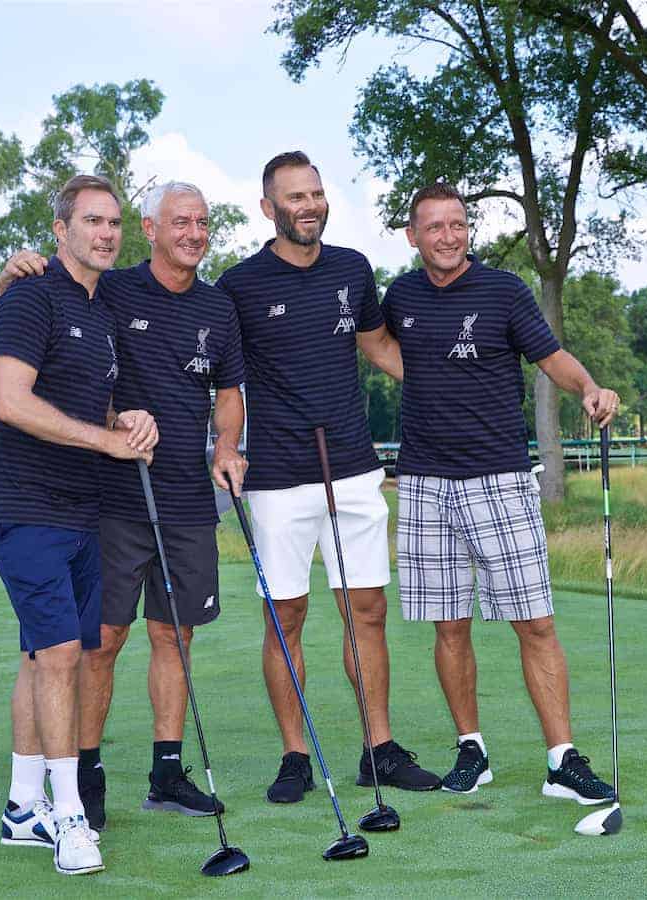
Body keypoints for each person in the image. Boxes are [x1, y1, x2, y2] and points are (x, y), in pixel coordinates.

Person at [0, 182, 248, 828]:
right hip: (109, 497)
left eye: (203, 222)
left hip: (187, 500)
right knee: (101, 641)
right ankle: (82, 773)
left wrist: (226, 446)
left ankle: (167, 771)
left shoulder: (219, 309)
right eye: (180, 222)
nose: (194, 233)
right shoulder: (110, 286)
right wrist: (11, 272)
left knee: (176, 634)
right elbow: (44, 306)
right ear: (150, 228)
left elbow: (229, 393)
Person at [379, 182, 619, 803]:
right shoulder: (399, 295)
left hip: (500, 480)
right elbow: (372, 341)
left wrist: (589, 387)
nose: (449, 236)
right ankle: (472, 750)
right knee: (449, 626)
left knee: (534, 623)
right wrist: (423, 374)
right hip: (426, 483)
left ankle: (562, 760)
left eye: (458, 224)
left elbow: (553, 357)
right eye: (435, 227)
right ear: (413, 236)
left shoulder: (503, 290)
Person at [215, 151, 440, 802]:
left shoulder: (352, 269)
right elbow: (229, 385)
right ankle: (294, 756)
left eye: (316, 193)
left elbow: (379, 347)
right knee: (285, 616)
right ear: (268, 208)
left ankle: (379, 748)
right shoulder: (240, 286)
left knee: (366, 611)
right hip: (279, 476)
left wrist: (453, 390)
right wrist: (226, 446)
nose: (309, 204)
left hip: (353, 467)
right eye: (294, 197)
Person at [0, 174, 157, 876]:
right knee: (59, 659)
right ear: (60, 230)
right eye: (91, 221)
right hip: (22, 509)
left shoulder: (100, 309)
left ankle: (23, 809)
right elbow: (13, 403)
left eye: (114, 223)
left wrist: (125, 421)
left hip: (77, 511)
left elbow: (85, 404)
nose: (106, 233)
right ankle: (70, 816)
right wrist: (105, 440)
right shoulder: (28, 295)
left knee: (44, 655)